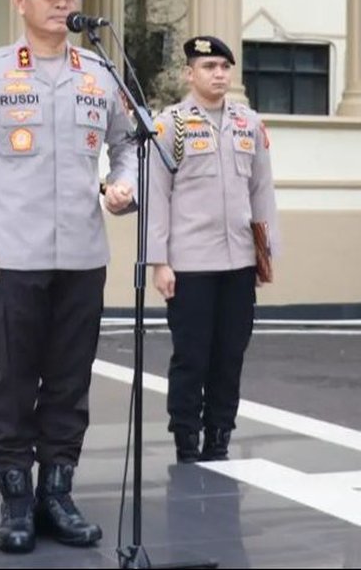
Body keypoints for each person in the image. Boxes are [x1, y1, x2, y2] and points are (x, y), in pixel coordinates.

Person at [0, 0, 137, 554]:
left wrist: (125, 187)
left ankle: (58, 493)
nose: (63, 2)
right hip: (12, 257)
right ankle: (16, 502)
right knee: (16, 380)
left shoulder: (101, 75)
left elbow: (129, 145)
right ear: (19, 1)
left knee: (71, 383)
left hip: (81, 255)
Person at [147, 35, 278, 464]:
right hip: (191, 264)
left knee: (230, 354)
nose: (219, 74)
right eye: (209, 67)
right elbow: (156, 197)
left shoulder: (248, 123)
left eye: (224, 66)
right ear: (190, 73)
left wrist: (264, 253)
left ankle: (220, 432)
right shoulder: (171, 126)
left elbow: (262, 192)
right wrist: (159, 262)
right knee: (191, 356)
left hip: (238, 261)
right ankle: (186, 434)